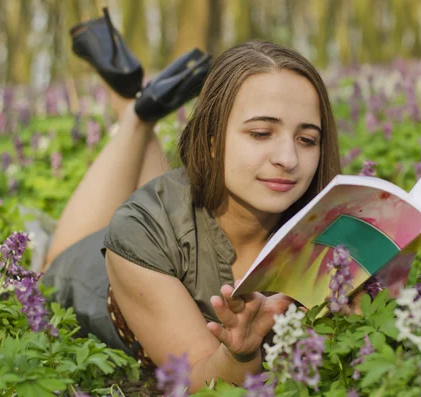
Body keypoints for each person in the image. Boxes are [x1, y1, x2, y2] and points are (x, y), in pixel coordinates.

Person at [40, 35, 342, 391]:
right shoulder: (138, 232)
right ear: (212, 139)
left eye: (306, 140)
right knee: (57, 262)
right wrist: (240, 355)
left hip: (172, 228)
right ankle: (137, 114)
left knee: (170, 204)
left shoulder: (332, 224)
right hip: (93, 277)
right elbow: (197, 380)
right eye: (261, 133)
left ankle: (139, 108)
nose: (288, 160)